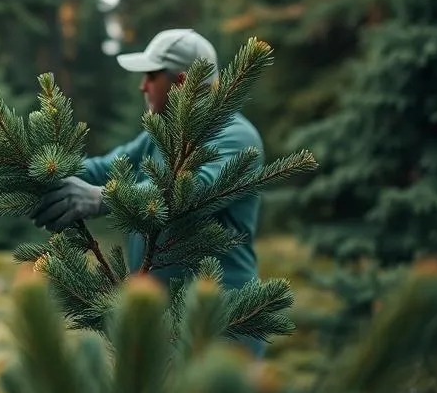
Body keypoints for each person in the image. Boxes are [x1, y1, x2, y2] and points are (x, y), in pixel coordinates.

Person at [30, 28, 267, 354]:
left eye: (151, 76)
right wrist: (37, 168)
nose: (143, 86)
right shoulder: (162, 133)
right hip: (161, 320)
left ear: (183, 81)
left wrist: (101, 198)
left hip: (222, 324)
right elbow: (105, 167)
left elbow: (186, 193)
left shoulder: (236, 138)